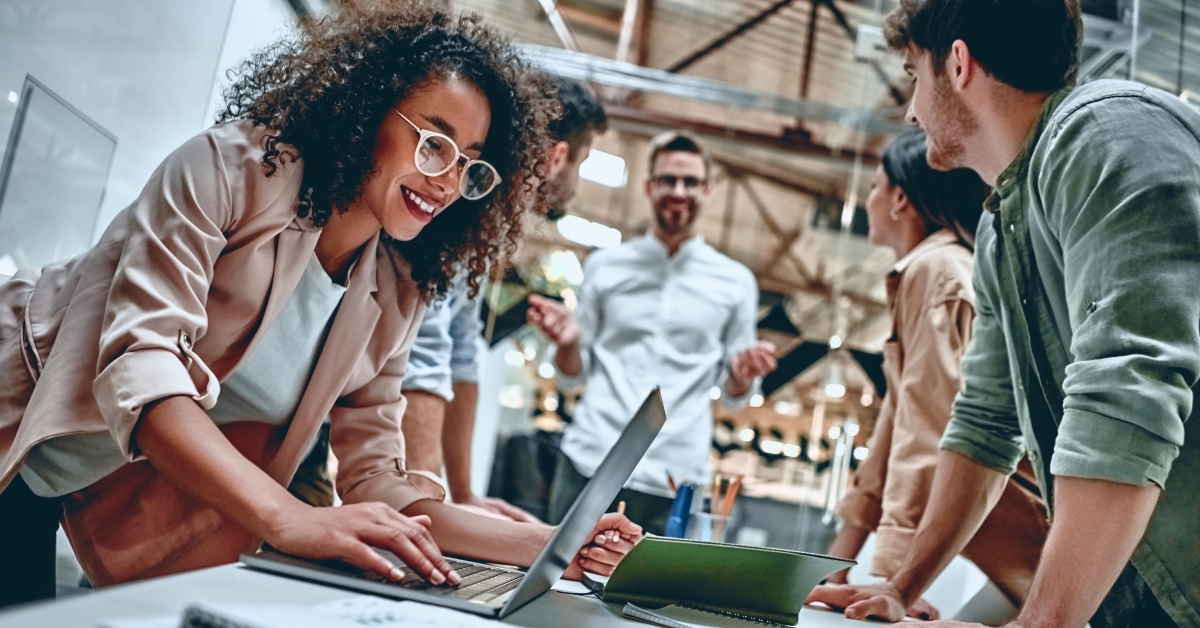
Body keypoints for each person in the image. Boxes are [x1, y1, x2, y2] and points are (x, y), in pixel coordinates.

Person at [0, 3, 640, 609]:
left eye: (470, 165)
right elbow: (144, 372)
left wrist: (556, 545)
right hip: (16, 425)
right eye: (434, 143)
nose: (446, 180)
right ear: (367, 111)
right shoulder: (227, 170)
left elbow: (378, 482)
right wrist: (292, 518)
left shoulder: (396, 288)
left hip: (104, 482)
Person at [808, 1, 1200, 626]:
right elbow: (985, 421)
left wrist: (1044, 618)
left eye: (914, 75)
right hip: (1138, 589)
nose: (911, 111)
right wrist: (901, 588)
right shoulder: (1000, 226)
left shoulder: (1109, 135)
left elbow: (1126, 392)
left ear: (958, 64)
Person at [822, 130, 1048, 621]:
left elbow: (929, 430)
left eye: (875, 185)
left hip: (1027, 536)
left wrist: (894, 580)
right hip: (1005, 544)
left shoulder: (937, 272)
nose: (869, 198)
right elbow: (893, 427)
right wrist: (836, 564)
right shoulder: (926, 272)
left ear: (901, 198)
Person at [527, 131, 778, 536]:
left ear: (707, 189)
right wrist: (570, 343)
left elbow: (735, 397)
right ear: (648, 186)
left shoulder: (736, 282)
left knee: (651, 597)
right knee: (557, 583)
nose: (679, 191)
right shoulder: (606, 266)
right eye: (667, 180)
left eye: (691, 181)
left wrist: (742, 374)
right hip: (591, 460)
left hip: (675, 475)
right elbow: (572, 374)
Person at [398, 77, 608, 521]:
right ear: (557, 157)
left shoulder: (490, 225)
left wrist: (463, 494)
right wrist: (430, 507)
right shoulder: (463, 205)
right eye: (582, 162)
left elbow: (460, 354)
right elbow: (427, 352)